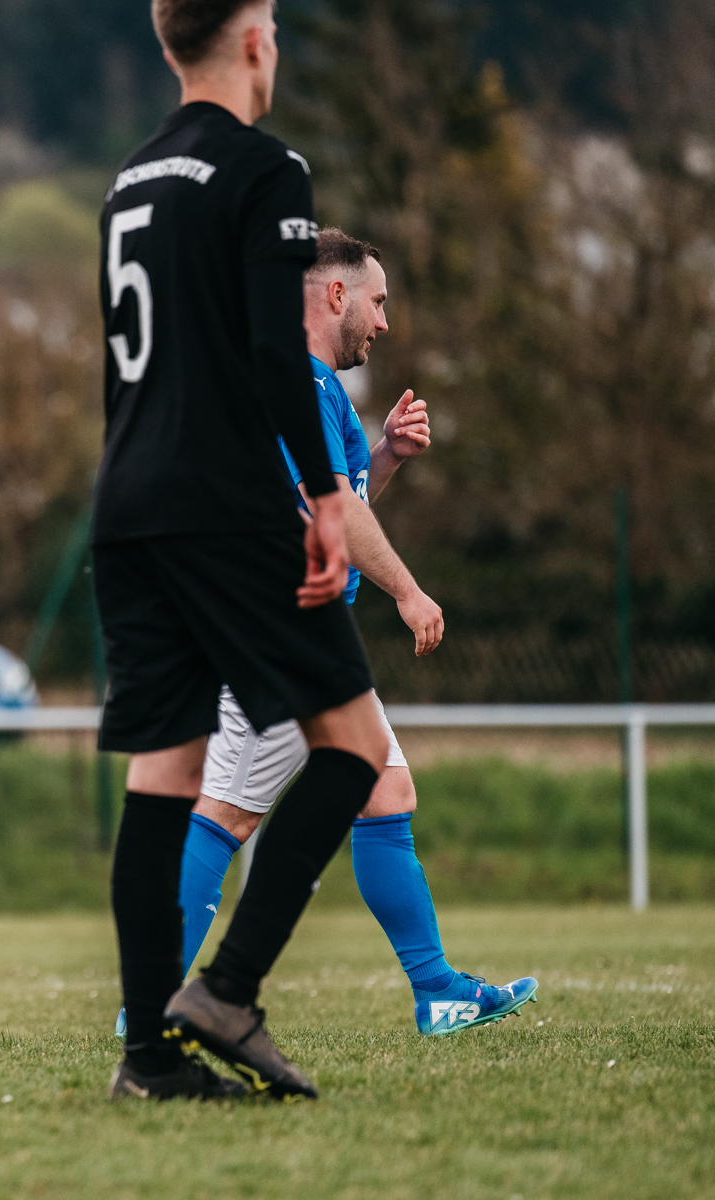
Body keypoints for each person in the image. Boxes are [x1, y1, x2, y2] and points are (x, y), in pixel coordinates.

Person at [95, 0, 391, 1101]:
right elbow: (275, 349)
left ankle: (148, 1057)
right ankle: (225, 991)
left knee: (164, 774)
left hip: (129, 498)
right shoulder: (268, 168)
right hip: (223, 502)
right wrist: (325, 494)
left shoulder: (129, 180)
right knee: (353, 746)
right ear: (256, 38)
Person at [169, 229, 537, 1036]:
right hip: (280, 629)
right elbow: (330, 508)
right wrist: (407, 590)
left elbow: (335, 508)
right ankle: (146, 1003)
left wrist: (386, 457)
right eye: (377, 302)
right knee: (226, 817)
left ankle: (436, 989)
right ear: (334, 296)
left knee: (383, 793)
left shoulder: (309, 387)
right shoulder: (296, 381)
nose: (384, 322)